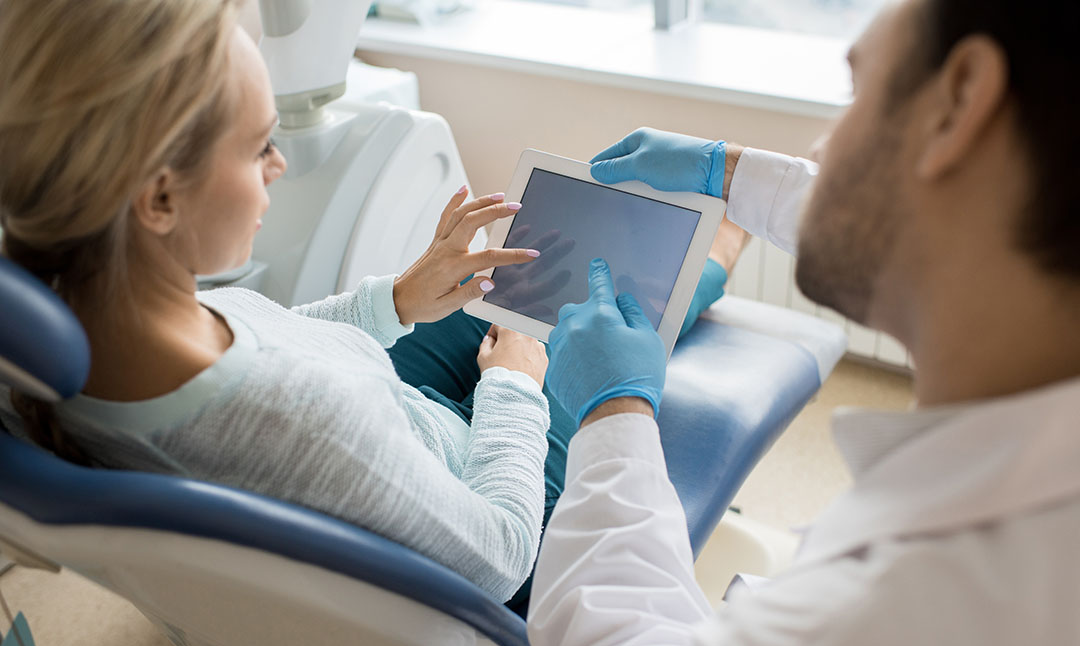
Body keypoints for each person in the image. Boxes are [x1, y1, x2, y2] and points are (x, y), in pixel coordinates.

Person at [0, 0, 742, 607]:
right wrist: (515, 385)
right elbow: (503, 553)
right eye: (260, 147)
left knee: (526, 266)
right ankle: (719, 252)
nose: (279, 165)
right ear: (159, 196)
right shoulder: (299, 421)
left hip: (397, 422)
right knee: (598, 317)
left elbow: (273, 342)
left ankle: (684, 252)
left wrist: (396, 299)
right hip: (499, 506)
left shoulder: (73, 316)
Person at [528, 0, 1080, 646]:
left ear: (961, 101)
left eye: (853, 96)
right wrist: (727, 172)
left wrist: (613, 413)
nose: (821, 150)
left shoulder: (894, 616)